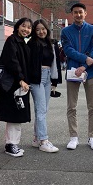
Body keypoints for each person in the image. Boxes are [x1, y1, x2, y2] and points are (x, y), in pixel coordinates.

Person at [61, 2, 93, 150]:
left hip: (89, 72)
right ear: (72, 14)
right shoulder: (66, 32)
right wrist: (85, 59)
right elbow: (68, 50)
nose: (78, 14)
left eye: (80, 12)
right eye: (75, 12)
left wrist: (84, 66)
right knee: (72, 106)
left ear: (85, 13)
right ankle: (73, 137)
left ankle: (92, 137)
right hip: (73, 71)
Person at [0, 18, 33, 157]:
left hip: (17, 83)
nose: (26, 29)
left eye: (29, 27)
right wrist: (21, 78)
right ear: (17, 27)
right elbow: (12, 61)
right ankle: (11, 145)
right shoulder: (12, 41)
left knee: (16, 115)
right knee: (14, 115)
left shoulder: (21, 42)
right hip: (12, 84)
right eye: (24, 26)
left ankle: (13, 143)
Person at [28, 19, 62, 153]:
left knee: (42, 109)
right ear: (34, 32)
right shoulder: (31, 44)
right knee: (41, 109)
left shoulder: (51, 44)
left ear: (47, 29)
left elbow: (56, 64)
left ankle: (37, 138)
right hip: (36, 77)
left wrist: (54, 82)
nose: (41, 31)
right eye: (37, 29)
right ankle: (44, 140)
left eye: (43, 29)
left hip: (48, 76)